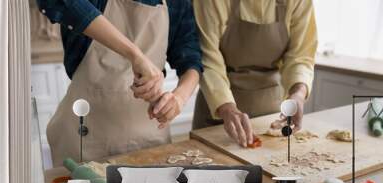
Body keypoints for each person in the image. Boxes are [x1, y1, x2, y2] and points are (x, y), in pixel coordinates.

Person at [37, 0, 202, 166]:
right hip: (85, 140)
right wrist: (135, 54)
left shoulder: (177, 4)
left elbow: (191, 59)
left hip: (149, 140)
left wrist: (179, 98)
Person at [192, 0, 317, 147]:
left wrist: (298, 93)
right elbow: (208, 58)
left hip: (270, 116)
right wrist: (226, 107)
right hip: (217, 109)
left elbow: (301, 55)